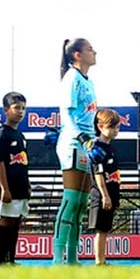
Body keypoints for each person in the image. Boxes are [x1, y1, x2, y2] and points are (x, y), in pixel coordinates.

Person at [53, 38, 99, 265]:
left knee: (82, 202)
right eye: (90, 49)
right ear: (78, 55)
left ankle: (73, 257)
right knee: (71, 200)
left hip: (88, 142)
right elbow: (67, 113)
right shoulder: (71, 78)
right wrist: (81, 137)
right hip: (73, 142)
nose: (95, 52)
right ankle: (57, 257)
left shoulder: (88, 81)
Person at [0, 92, 30, 266]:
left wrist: (28, 185)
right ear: (6, 110)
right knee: (6, 221)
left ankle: (12, 259)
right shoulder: (2, 135)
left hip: (21, 186)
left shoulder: (21, 136)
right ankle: (0, 259)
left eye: (23, 108)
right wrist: (4, 188)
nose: (20, 112)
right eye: (16, 108)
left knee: (16, 222)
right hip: (8, 187)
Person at [89, 109, 122, 266]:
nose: (116, 131)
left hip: (112, 192)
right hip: (101, 195)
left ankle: (102, 260)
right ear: (100, 126)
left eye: (117, 127)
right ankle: (99, 261)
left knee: (106, 228)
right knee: (101, 230)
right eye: (112, 127)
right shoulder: (97, 148)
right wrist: (105, 195)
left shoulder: (113, 149)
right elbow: (98, 174)